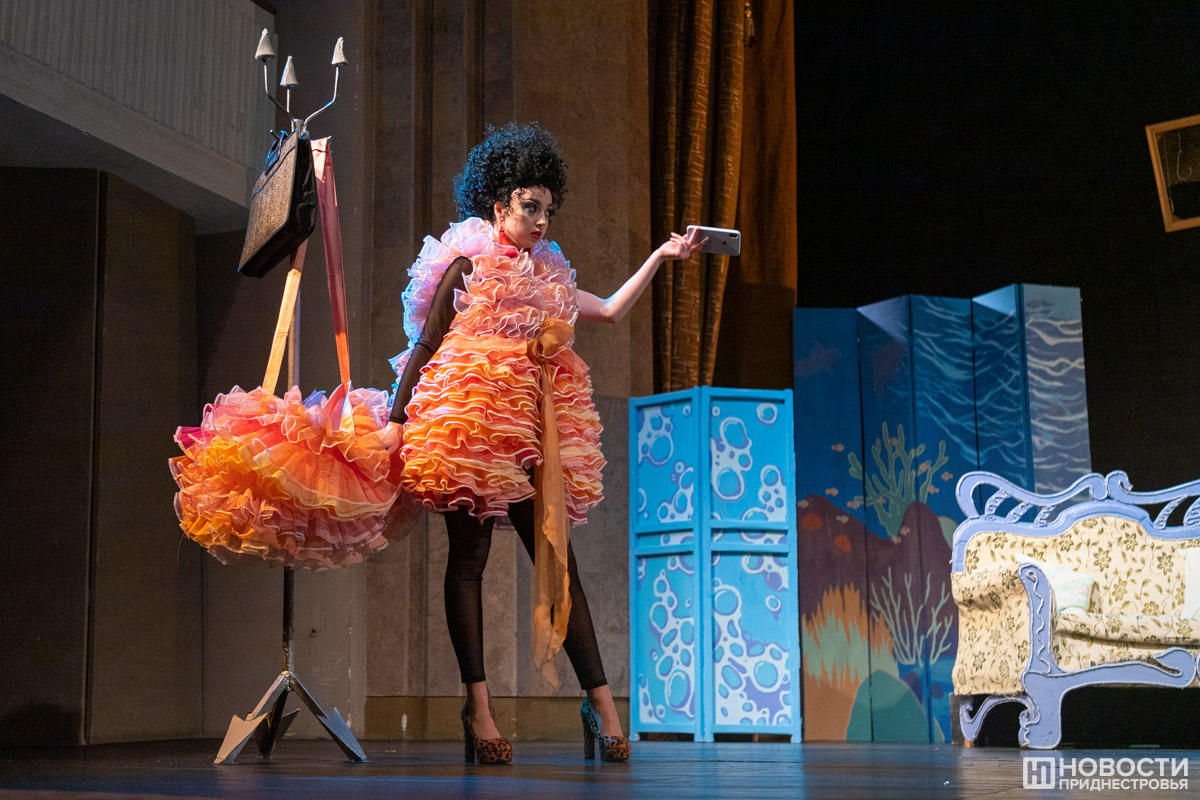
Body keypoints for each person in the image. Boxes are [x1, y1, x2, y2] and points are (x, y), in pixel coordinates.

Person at [379, 123, 704, 764]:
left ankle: (602, 706)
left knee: (557, 559)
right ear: (499, 203)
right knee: (468, 559)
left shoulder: (547, 278)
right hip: (470, 428)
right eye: (530, 207)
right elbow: (425, 345)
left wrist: (661, 257)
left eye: (548, 210)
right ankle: (479, 710)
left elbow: (609, 309)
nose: (540, 221)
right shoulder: (468, 266)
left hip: (530, 432)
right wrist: (394, 420)